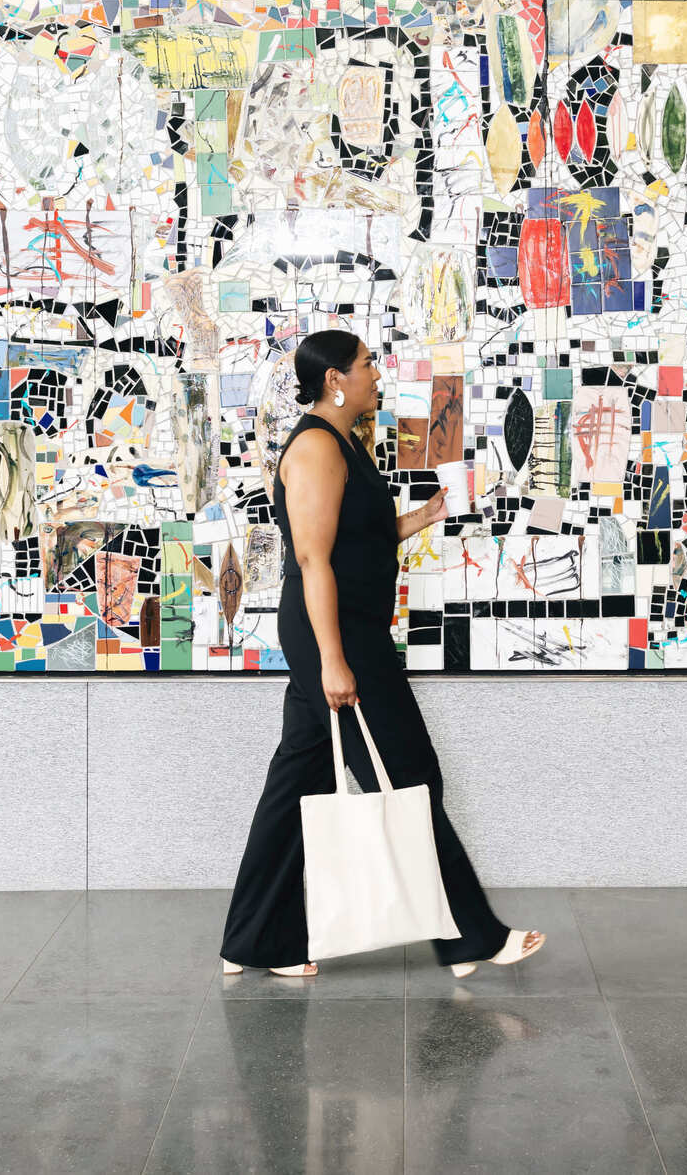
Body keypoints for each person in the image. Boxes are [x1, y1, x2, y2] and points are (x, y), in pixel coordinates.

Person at [219, 329, 546, 979]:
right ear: (335, 379)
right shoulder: (316, 448)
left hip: (347, 630)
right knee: (409, 773)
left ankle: (254, 941)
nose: (378, 373)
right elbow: (312, 560)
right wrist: (332, 659)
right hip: (335, 634)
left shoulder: (345, 442)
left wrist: (425, 516)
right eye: (368, 364)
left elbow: (358, 539)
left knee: (297, 782)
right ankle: (470, 938)